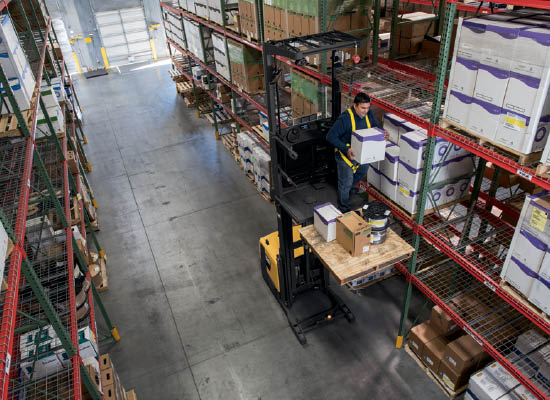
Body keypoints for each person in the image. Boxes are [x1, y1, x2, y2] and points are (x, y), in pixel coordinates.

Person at [326, 92, 386, 212]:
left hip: (361, 152)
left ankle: (349, 189)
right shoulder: (345, 119)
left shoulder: (368, 114)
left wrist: (382, 132)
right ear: (355, 105)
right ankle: (344, 207)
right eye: (363, 108)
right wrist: (346, 149)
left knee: (362, 170)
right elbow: (330, 137)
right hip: (345, 154)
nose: (366, 111)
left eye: (368, 107)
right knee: (346, 182)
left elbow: (374, 125)